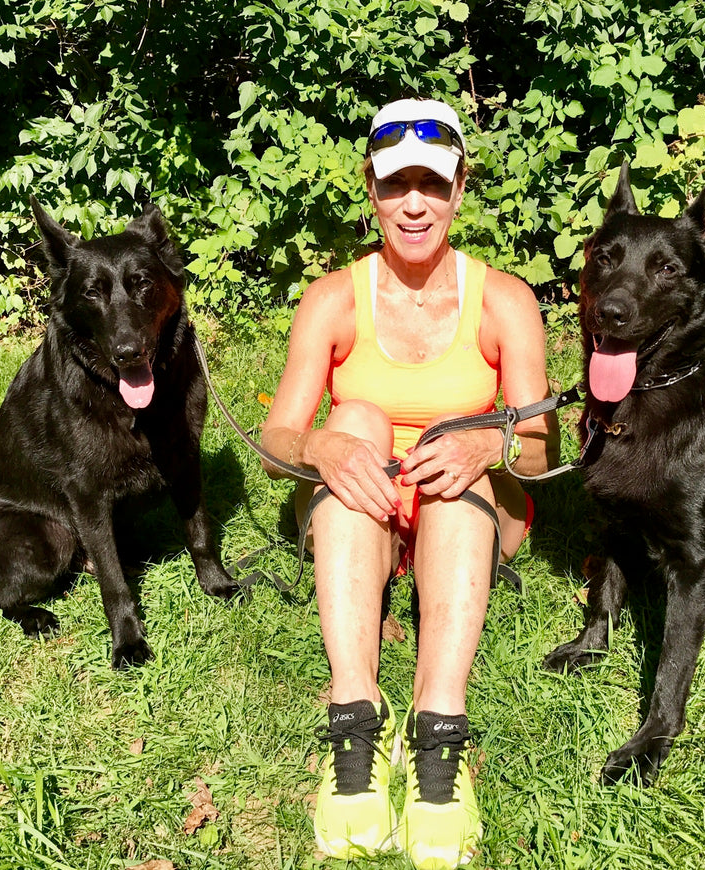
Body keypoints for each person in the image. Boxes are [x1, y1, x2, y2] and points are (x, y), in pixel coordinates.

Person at [260, 98, 558, 869]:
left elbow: (538, 450)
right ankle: (355, 712)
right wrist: (322, 447)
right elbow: (275, 441)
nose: (415, 203)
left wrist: (489, 441)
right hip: (359, 508)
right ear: (372, 191)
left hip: (462, 512)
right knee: (353, 414)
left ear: (461, 189)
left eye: (433, 181)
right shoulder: (333, 298)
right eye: (397, 185)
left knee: (456, 432)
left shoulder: (505, 299)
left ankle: (438, 731)